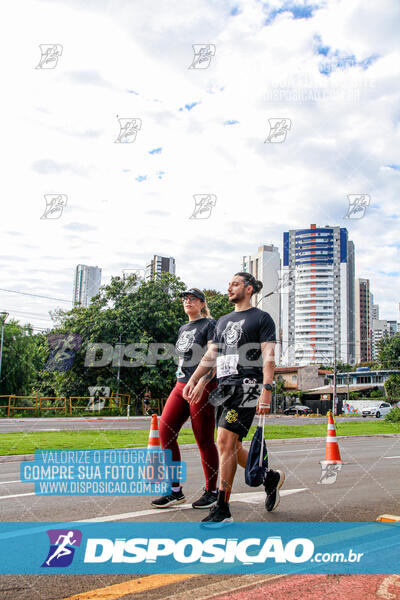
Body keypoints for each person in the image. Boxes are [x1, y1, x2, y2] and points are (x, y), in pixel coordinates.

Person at [183, 273, 285, 524]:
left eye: (235, 284)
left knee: (224, 442)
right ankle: (269, 477)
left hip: (249, 386)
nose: (229, 287)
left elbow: (269, 355)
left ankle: (222, 508)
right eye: (228, 284)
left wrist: (267, 389)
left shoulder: (261, 318)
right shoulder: (223, 321)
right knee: (233, 446)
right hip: (224, 387)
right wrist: (194, 379)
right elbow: (211, 356)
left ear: (249, 289)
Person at [151, 288, 219, 509]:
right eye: (184, 299)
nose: (187, 302)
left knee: (204, 439)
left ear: (202, 303)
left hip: (202, 386)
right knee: (165, 431)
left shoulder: (210, 324)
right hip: (181, 385)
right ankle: (174, 490)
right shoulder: (183, 328)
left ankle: (212, 491)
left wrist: (203, 382)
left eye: (192, 299)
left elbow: (214, 357)